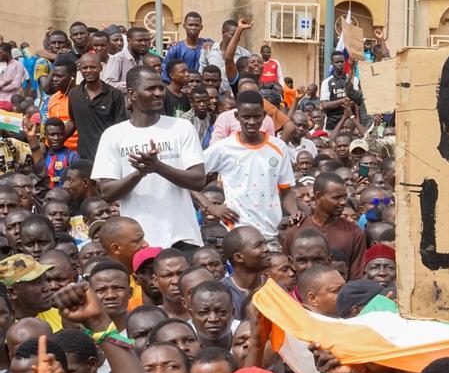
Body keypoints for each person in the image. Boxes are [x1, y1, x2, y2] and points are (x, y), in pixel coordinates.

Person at [93, 67, 205, 249]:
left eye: (161, 88)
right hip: (139, 242)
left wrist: (158, 167)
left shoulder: (181, 128)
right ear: (132, 94)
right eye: (151, 89)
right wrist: (139, 173)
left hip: (183, 238)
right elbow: (107, 193)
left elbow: (198, 180)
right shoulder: (113, 135)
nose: (159, 93)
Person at [201, 90, 298, 246]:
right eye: (246, 117)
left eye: (257, 116)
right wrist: (211, 207)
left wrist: (294, 212)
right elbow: (188, 177)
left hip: (270, 236)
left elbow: (286, 191)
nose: (252, 122)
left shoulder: (278, 147)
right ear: (237, 116)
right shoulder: (224, 148)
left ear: (264, 115)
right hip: (237, 236)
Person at [282, 173, 364, 278]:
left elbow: (356, 276)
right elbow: (287, 272)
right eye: (336, 197)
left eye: (344, 197)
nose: (343, 202)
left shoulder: (354, 233)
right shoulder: (295, 229)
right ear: (318, 197)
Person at [319, 52, 362, 131]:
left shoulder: (354, 80)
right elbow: (324, 105)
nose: (339, 64)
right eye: (337, 62)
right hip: (332, 125)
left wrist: (351, 103)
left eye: (341, 62)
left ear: (344, 62)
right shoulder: (326, 82)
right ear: (332, 63)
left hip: (350, 125)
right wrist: (343, 100)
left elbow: (357, 100)